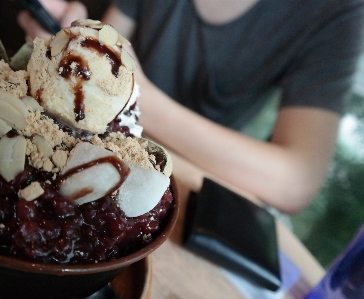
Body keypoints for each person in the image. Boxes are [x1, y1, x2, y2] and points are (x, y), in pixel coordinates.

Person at [18, 0, 364, 214]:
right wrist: (70, 38)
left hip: (197, 186)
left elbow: (296, 181)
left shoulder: (336, 13)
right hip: (104, 152)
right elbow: (112, 36)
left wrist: (141, 101)